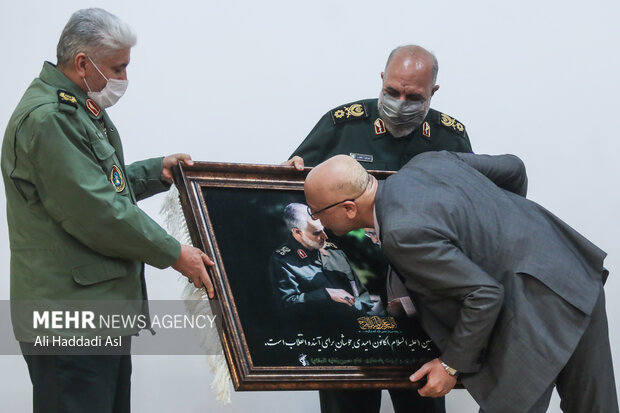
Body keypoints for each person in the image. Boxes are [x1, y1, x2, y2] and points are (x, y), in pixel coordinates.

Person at [1, 8, 214, 413]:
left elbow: (99, 187)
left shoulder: (77, 110)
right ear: (83, 63)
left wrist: (156, 172)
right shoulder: (49, 119)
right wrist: (174, 254)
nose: (124, 80)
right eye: (118, 68)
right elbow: (97, 211)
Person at [304, 153, 618, 413]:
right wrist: (501, 237)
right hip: (572, 268)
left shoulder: (401, 233)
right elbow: (514, 168)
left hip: (534, 307)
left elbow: (484, 294)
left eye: (316, 211)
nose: (316, 220)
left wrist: (450, 365)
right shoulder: (427, 163)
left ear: (348, 209)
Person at [285, 44, 464, 413]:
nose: (401, 102)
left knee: (421, 402)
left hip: (420, 304)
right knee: (347, 403)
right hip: (352, 292)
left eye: (414, 96)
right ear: (381, 81)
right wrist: (289, 173)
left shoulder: (451, 137)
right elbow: (300, 196)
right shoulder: (342, 125)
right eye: (392, 92)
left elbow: (466, 213)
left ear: (433, 92)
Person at [269, 203, 381, 316]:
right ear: (297, 232)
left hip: (355, 325)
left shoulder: (334, 252)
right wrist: (325, 294)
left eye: (323, 230)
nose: (325, 237)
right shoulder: (283, 260)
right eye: (317, 233)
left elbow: (361, 296)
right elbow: (288, 305)